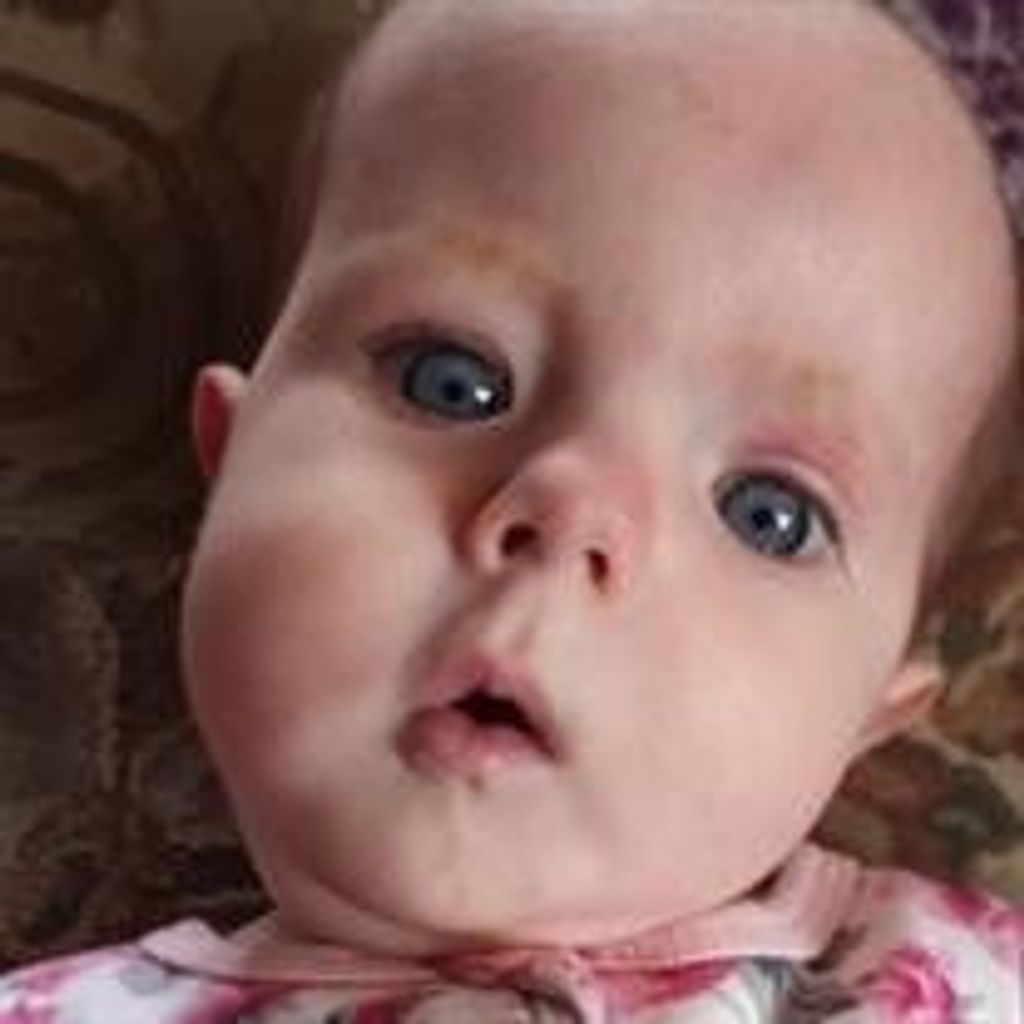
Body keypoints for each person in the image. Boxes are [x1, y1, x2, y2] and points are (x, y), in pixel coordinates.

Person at [2, 0, 1022, 1019]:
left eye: (767, 514)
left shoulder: (950, 977)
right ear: (232, 461)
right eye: (451, 381)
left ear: (864, 720)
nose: (571, 508)